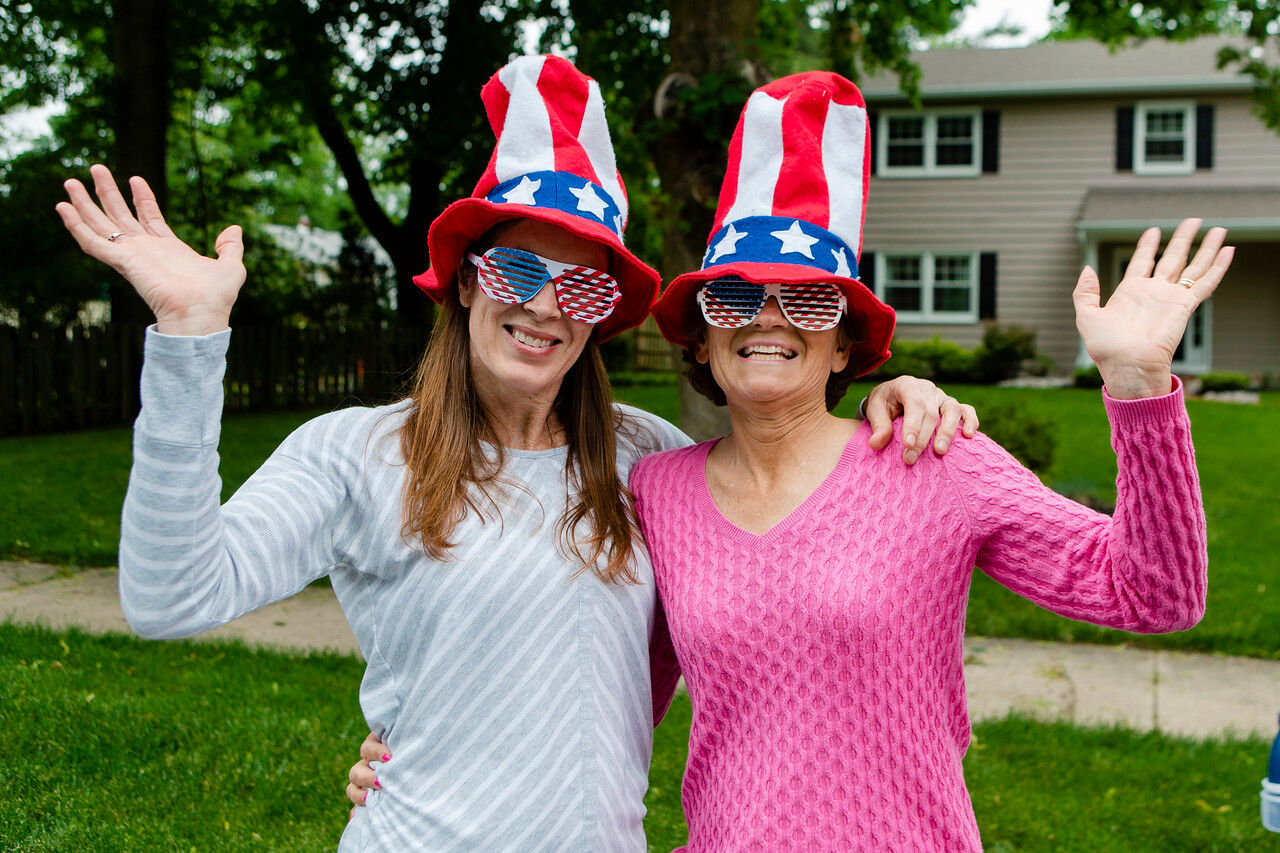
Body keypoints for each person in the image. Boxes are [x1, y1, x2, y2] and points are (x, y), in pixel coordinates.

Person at [57, 57, 975, 850]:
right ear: (464, 281)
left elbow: (780, 533)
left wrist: (889, 407)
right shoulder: (355, 453)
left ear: (600, 312)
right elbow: (170, 597)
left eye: (577, 281)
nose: (543, 304)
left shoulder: (650, 463)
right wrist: (188, 340)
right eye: (515, 269)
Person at [625, 72, 1227, 850]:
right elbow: (615, 702)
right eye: (734, 296)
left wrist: (1140, 392)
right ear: (701, 336)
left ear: (845, 342)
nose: (767, 316)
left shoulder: (930, 456)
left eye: (807, 298)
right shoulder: (657, 490)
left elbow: (1156, 594)